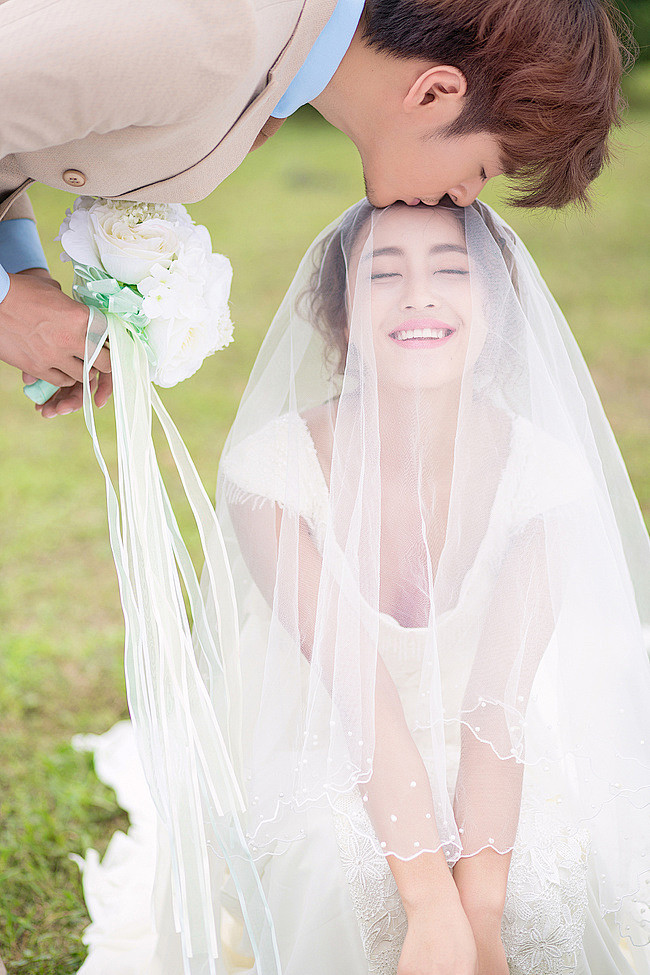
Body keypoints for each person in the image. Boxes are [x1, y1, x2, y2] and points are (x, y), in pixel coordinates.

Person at [74, 199, 650, 975]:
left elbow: (496, 704)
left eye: (451, 270)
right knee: (335, 871)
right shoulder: (272, 477)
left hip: (481, 742)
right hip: (331, 735)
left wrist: (476, 909)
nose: (418, 294)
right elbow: (358, 694)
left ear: (500, 309)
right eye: (384, 274)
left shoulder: (545, 480)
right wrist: (428, 900)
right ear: (340, 318)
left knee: (535, 887)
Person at [0, 0, 632, 418]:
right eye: (485, 170)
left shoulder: (268, 59)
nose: (465, 197)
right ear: (437, 91)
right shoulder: (210, 39)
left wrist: (23, 273)